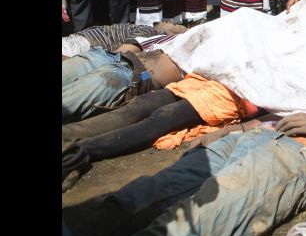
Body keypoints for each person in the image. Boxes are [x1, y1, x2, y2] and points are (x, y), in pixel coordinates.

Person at [62, 112, 306, 236]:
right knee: (136, 198)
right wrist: (230, 131)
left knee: (192, 224)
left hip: (295, 151)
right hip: (244, 137)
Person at [62, 72, 261, 190]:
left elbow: (276, 114)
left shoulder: (287, 75)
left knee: (164, 117)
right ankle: (67, 135)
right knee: (140, 104)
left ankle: (76, 152)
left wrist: (237, 128)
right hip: (206, 81)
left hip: (228, 100)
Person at [62, 21, 186, 58]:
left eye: (176, 25)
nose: (171, 22)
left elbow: (119, 55)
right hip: (80, 43)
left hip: (82, 45)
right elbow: (118, 56)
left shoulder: (149, 33)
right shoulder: (148, 30)